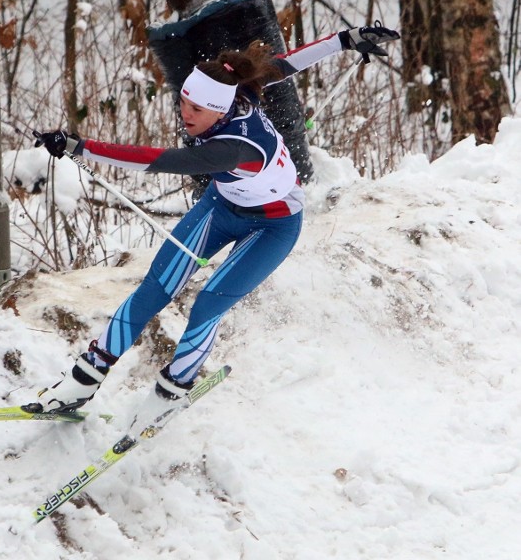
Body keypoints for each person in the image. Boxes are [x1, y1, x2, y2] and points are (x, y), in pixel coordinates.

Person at [33, 24, 400, 433]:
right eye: (184, 102)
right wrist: (346, 40)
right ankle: (82, 381)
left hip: (274, 226)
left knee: (207, 305)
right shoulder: (237, 88)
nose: (185, 114)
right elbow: (287, 63)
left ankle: (171, 392)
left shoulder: (234, 149)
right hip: (223, 207)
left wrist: (80, 146)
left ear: (221, 110)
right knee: (154, 289)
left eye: (196, 110)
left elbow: (160, 160)